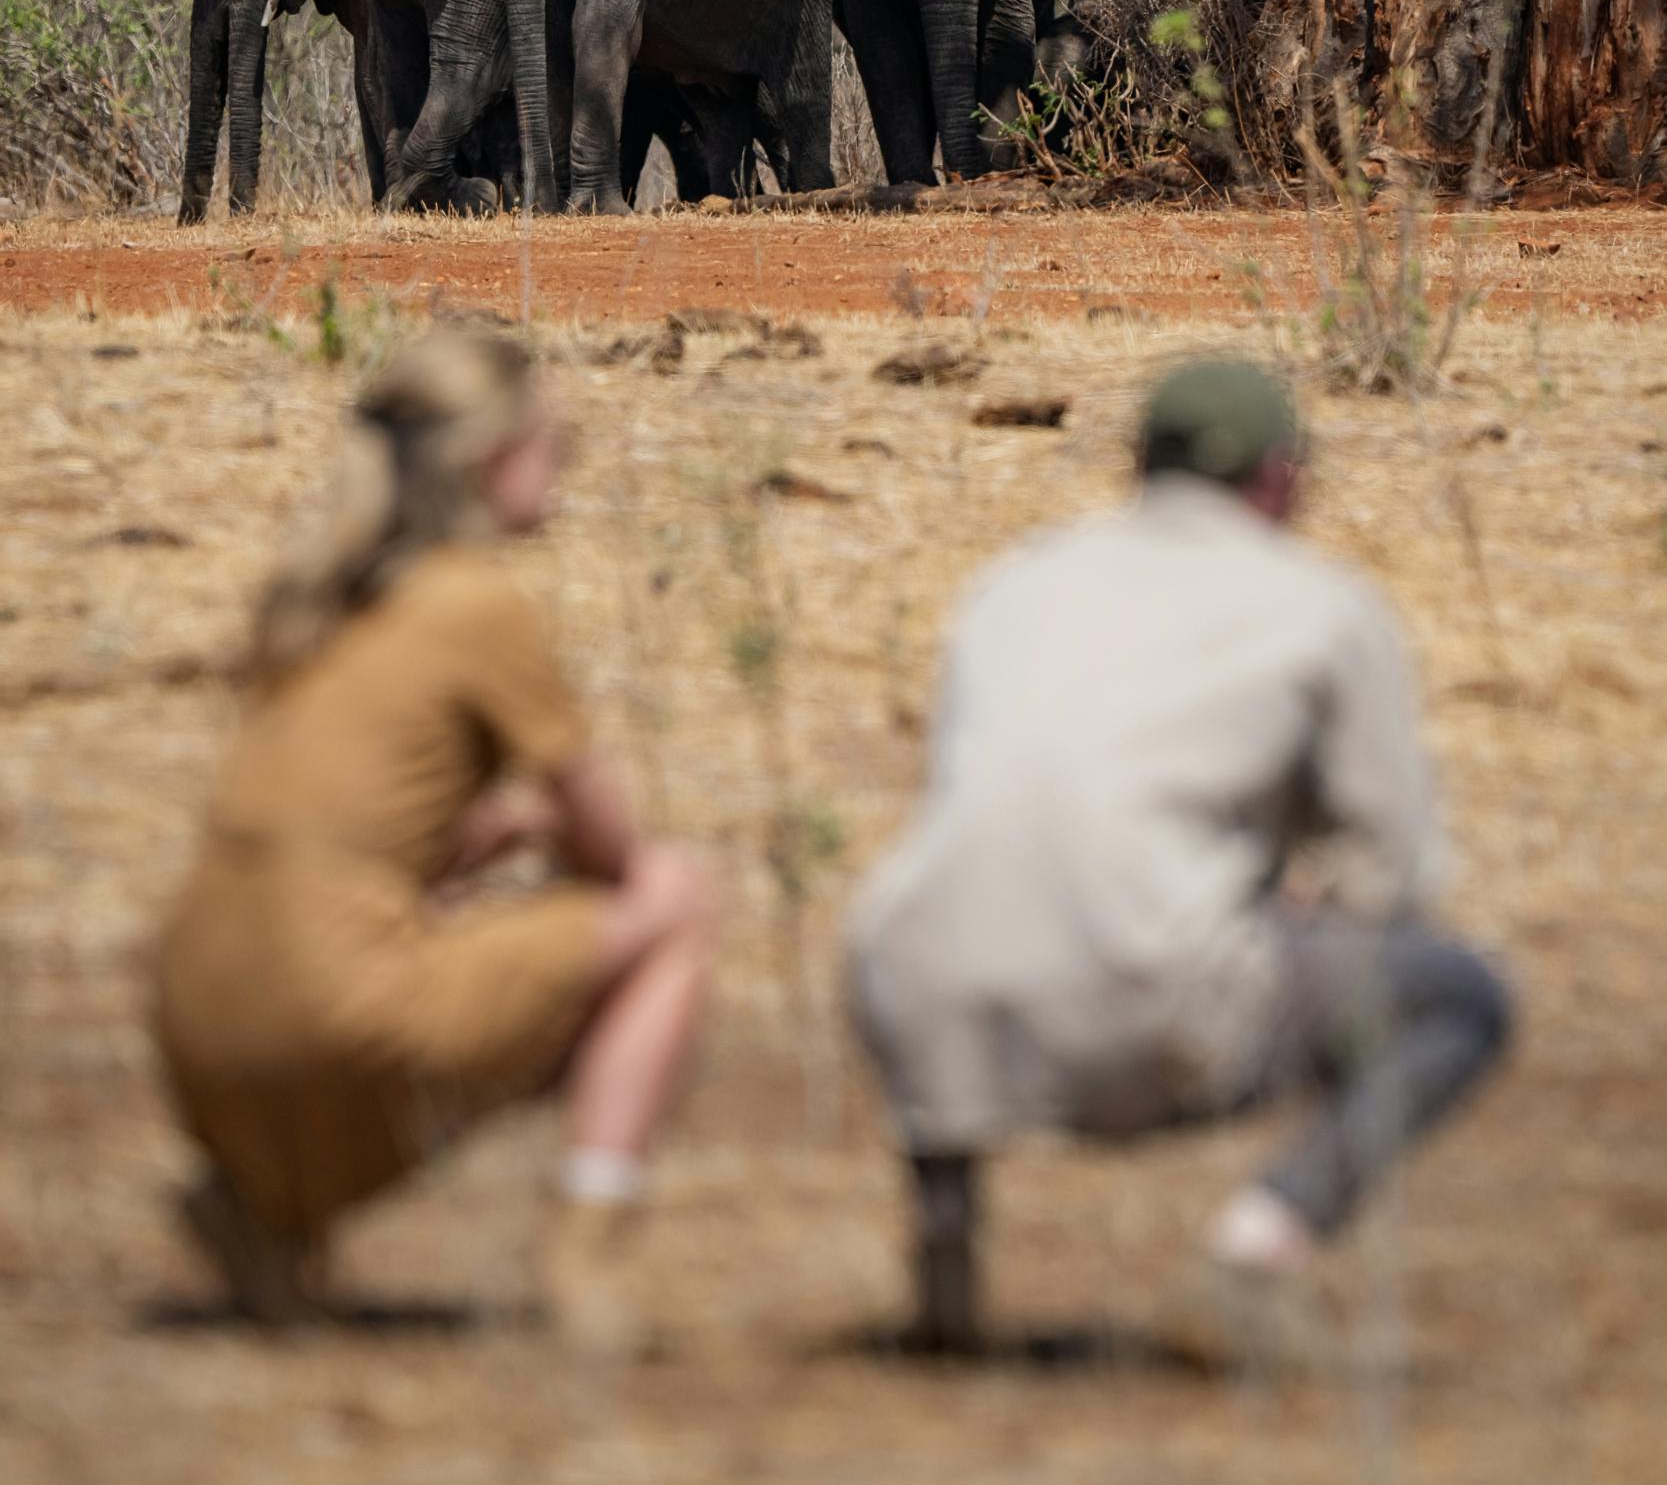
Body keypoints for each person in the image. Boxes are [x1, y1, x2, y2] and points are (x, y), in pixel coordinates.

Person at [847, 358, 1512, 1362]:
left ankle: (945, 1251)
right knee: (1458, 994)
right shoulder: (1323, 606)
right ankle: (1257, 1250)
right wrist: (1289, 893)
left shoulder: (1013, 580)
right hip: (1144, 1003)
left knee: (978, 902)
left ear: (1137, 464)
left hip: (913, 992)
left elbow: (982, 800)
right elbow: (1396, 874)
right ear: (1282, 477)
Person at [154, 327, 716, 1345]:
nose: (566, 465)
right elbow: (616, 859)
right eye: (555, 440)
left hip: (188, 1020)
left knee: (432, 932)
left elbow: (340, 825)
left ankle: (263, 1206)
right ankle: (585, 1250)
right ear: (489, 456)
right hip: (335, 1013)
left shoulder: (311, 591)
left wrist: (483, 834)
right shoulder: (474, 602)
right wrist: (540, 826)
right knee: (674, 898)